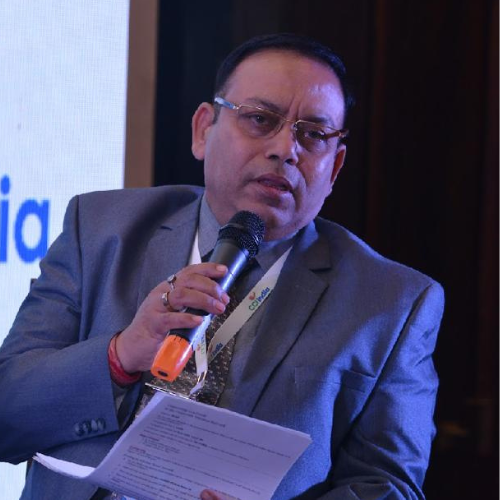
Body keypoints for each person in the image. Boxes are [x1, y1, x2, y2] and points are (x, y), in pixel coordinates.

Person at [0, 33, 444, 500]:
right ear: (203, 130)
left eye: (313, 134)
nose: (285, 149)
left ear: (334, 168)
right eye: (260, 119)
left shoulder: (392, 303)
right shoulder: (97, 231)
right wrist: (120, 356)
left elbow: (390, 486)